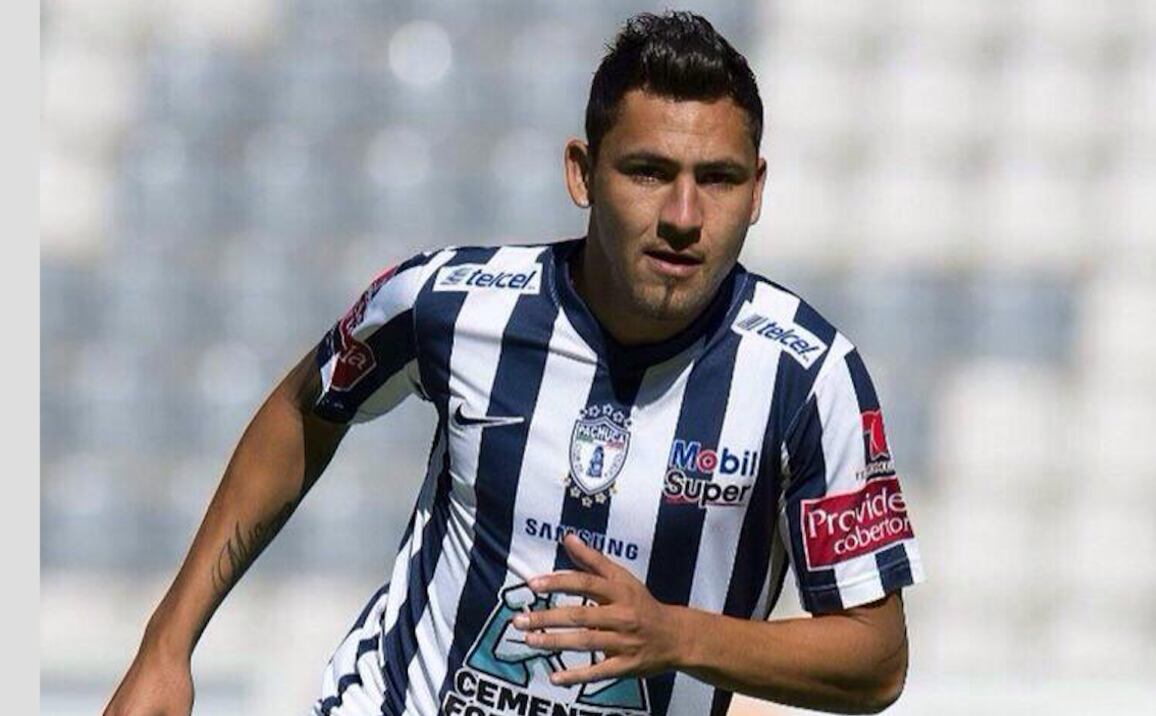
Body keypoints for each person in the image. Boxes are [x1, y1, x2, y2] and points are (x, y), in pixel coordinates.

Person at [104, 11, 925, 716]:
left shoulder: (808, 379)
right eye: (648, 172)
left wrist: (676, 636)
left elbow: (877, 657)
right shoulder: (447, 303)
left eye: (717, 179)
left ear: (757, 190)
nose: (683, 214)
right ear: (582, 173)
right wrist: (166, 645)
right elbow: (303, 410)